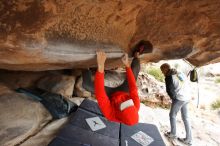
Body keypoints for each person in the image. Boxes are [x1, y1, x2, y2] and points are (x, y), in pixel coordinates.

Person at [160, 63, 192, 145]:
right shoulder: (179, 72)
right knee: (186, 118)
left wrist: (174, 99)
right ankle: (189, 139)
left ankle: (173, 134)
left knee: (172, 115)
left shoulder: (169, 76)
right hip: (187, 96)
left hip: (180, 98)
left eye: (162, 71)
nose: (162, 73)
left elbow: (170, 91)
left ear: (165, 69)